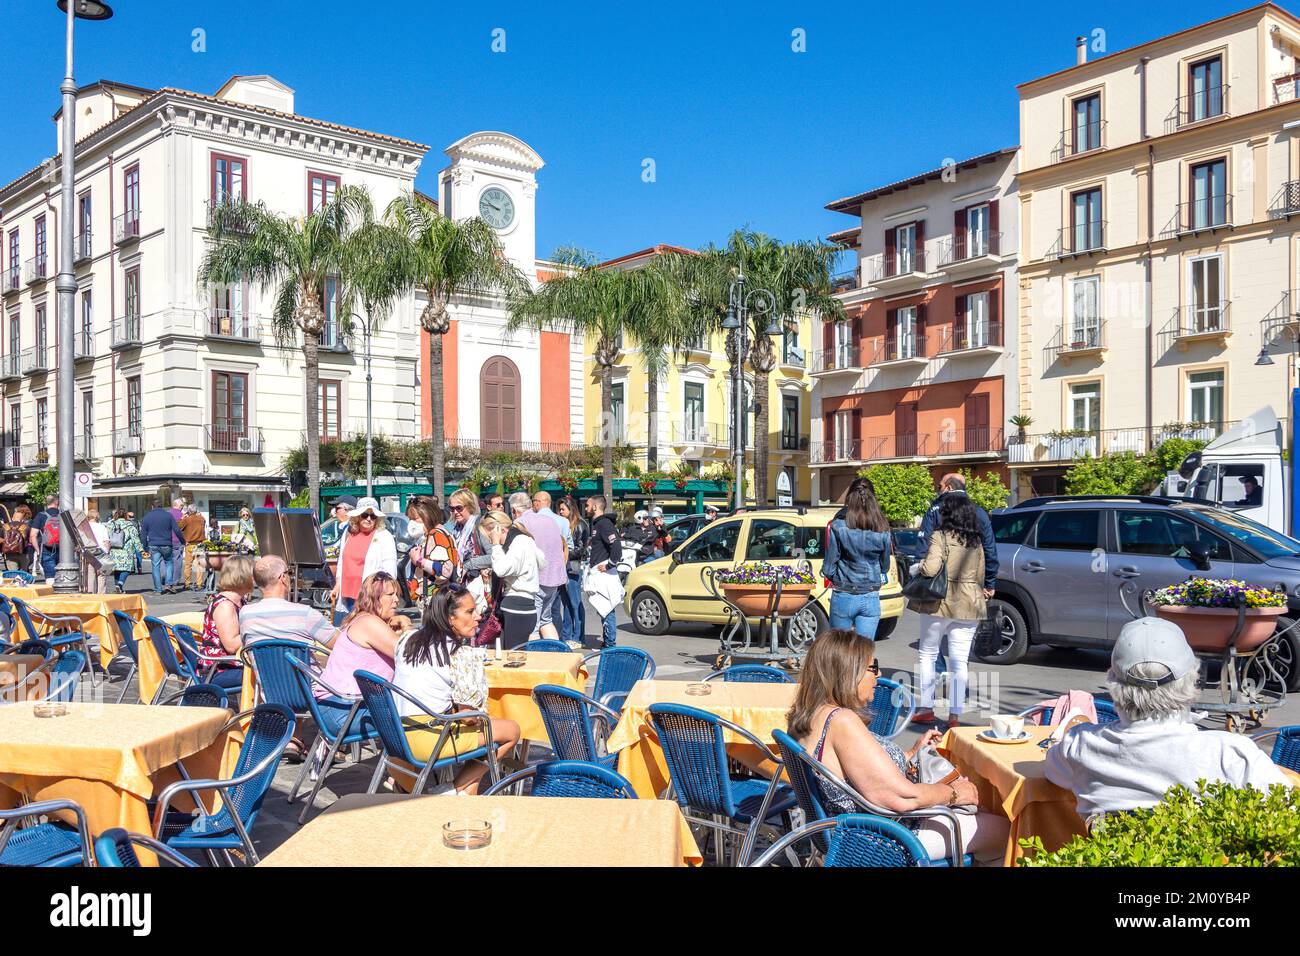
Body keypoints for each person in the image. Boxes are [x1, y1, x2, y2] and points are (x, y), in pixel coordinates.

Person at [788, 628, 1009, 865]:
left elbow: (860, 771)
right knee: (1009, 831)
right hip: (880, 839)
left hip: (852, 831)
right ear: (848, 673)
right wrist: (955, 794)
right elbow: (902, 798)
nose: (879, 674)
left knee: (984, 815)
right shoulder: (841, 721)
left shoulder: (810, 716)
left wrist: (913, 752)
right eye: (873, 668)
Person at [1045, 617, 1290, 824]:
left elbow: (1053, 773)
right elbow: (1285, 812)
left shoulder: (1080, 744)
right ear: (1193, 680)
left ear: (1113, 686)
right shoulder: (1229, 753)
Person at [392, 585, 523, 794]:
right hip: (429, 740)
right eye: (470, 612)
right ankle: (457, 787)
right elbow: (467, 717)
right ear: (449, 617)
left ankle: (462, 787)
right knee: (511, 730)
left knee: (483, 729)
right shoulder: (460, 654)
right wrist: (481, 715)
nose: (478, 616)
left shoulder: (407, 640)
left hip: (397, 734)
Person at [910, 494, 987, 729]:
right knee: (959, 661)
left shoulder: (940, 536)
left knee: (928, 654)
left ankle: (927, 709)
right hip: (969, 603)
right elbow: (980, 575)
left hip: (939, 602)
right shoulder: (976, 541)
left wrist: (917, 568)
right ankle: (954, 717)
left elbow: (931, 567)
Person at [313, 572, 406, 741]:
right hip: (343, 711)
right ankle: (414, 763)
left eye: (397, 595)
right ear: (374, 597)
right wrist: (407, 626)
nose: (397, 600)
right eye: (390, 595)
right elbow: (408, 656)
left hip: (333, 707)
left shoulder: (359, 619)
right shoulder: (369, 622)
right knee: (417, 714)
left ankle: (404, 763)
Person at [824, 476, 892, 638]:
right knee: (865, 652)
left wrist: (838, 578)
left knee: (840, 650)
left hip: (844, 593)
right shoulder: (882, 528)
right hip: (870, 595)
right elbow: (885, 566)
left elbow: (829, 567)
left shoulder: (838, 526)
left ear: (849, 498)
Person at [480, 510, 544, 649]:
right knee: (511, 654)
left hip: (518, 607)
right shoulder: (522, 541)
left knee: (513, 657)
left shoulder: (519, 542)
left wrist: (496, 545)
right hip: (519, 605)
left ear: (499, 530)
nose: (490, 541)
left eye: (490, 537)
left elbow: (502, 569)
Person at [240, 555, 336, 648]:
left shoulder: (245, 613)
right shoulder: (305, 614)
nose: (291, 577)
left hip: (261, 665)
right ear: (283, 578)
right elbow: (340, 644)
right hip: (300, 664)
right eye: (289, 572)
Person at [330, 497, 398, 626]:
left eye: (373, 516)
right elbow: (341, 563)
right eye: (365, 515)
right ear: (357, 517)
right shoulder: (348, 533)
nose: (368, 519)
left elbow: (390, 571)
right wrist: (337, 585)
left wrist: (383, 595)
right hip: (347, 595)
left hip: (370, 598)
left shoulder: (384, 536)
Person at [196, 555, 256, 694]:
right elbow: (231, 645)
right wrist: (258, 630)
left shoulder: (238, 601)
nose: (256, 579)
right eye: (253, 575)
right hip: (218, 669)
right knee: (271, 674)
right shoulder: (225, 606)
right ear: (242, 576)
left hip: (230, 664)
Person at [514, 491, 565, 641]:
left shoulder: (521, 522)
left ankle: (536, 660)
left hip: (537, 578)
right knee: (546, 619)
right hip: (554, 577)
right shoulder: (551, 521)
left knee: (533, 626)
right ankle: (557, 656)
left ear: (515, 510)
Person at [585, 495, 622, 648]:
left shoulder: (604, 524)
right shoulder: (598, 524)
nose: (585, 508)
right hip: (599, 572)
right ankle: (608, 641)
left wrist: (609, 565)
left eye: (587, 505)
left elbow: (616, 546)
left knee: (607, 608)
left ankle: (610, 644)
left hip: (605, 574)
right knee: (603, 608)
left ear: (595, 507)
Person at [406, 497, 458, 604]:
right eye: (409, 519)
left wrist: (418, 560)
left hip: (436, 600)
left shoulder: (436, 535)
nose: (411, 523)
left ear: (427, 516)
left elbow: (444, 570)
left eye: (415, 518)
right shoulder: (430, 535)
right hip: (433, 598)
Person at [443, 488, 493, 583]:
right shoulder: (455, 529)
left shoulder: (480, 526)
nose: (455, 512)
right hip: (462, 583)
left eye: (459, 508)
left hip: (479, 584)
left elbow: (494, 557)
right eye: (452, 508)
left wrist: (467, 565)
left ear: (469, 506)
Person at [557, 495, 589, 644]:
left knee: (575, 604)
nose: (560, 512)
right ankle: (567, 635)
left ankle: (579, 637)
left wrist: (564, 552)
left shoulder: (580, 525)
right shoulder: (564, 524)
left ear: (571, 509)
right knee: (567, 604)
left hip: (573, 567)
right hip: (564, 567)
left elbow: (580, 549)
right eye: (559, 509)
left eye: (563, 509)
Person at [140, 498, 183, 595]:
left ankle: (158, 589)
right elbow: (176, 530)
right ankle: (168, 585)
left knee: (155, 566)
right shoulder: (168, 515)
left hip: (153, 544)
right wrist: (182, 540)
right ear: (161, 506)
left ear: (152, 506)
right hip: (167, 543)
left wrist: (145, 547)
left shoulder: (147, 517)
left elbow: (143, 534)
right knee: (169, 563)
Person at [105, 509, 142, 594]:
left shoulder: (110, 524)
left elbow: (106, 537)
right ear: (126, 515)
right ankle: (120, 585)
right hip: (126, 550)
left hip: (114, 550)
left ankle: (117, 587)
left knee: (116, 569)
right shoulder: (130, 525)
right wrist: (141, 550)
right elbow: (135, 539)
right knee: (126, 569)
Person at [29, 495, 60, 581]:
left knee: (50, 579)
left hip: (46, 549)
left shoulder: (41, 515)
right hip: (63, 550)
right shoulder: (63, 514)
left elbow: (33, 536)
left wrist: (38, 551)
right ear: (57, 502)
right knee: (63, 578)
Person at [178, 504, 207, 592]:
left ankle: (187, 583)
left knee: (188, 565)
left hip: (190, 544)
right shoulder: (201, 519)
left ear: (189, 511)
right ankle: (199, 584)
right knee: (199, 565)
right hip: (200, 544)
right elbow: (204, 521)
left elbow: (179, 526)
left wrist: (182, 517)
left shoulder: (187, 519)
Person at [84, 507, 111, 594]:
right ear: (97, 517)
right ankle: (101, 595)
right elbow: (106, 541)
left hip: (88, 552)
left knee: (90, 575)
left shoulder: (84, 528)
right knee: (101, 575)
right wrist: (107, 552)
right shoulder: (102, 527)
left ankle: (91, 594)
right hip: (101, 552)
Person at [2, 505, 31, 572]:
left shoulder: (5, 527)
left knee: (13, 574)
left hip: (9, 554)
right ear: (22, 519)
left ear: (12, 518)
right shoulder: (26, 527)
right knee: (23, 575)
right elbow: (30, 539)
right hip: (23, 553)